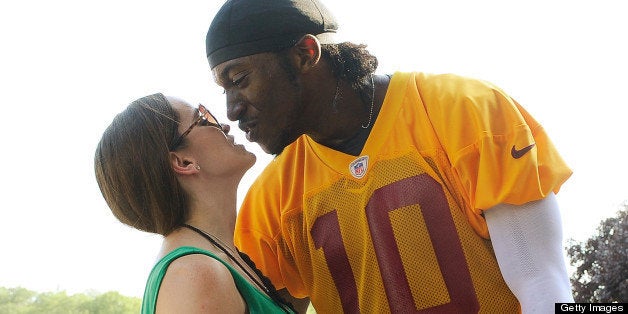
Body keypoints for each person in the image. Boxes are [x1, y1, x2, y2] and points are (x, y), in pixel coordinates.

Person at [205, 0, 575, 313]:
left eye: (238, 80)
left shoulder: (464, 111)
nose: (232, 110)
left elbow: (540, 279)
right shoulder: (270, 199)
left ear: (306, 54)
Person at [94, 93, 295, 313]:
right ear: (183, 162)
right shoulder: (194, 274)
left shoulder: (219, 262)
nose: (225, 125)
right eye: (203, 118)